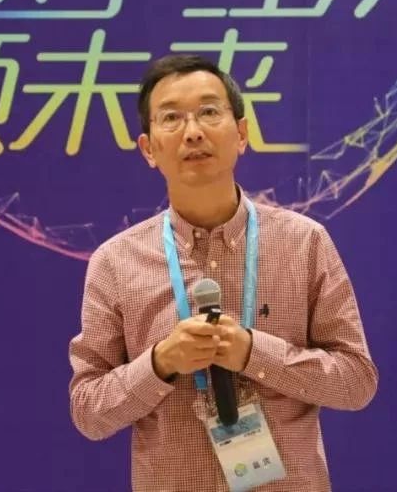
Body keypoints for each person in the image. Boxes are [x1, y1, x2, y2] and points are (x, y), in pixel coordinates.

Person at [69, 54, 378, 491]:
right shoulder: (116, 262)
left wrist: (254, 353)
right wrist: (161, 362)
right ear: (149, 149)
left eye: (209, 112)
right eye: (171, 118)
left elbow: (356, 383)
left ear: (242, 134)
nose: (193, 131)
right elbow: (88, 412)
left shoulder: (304, 243)